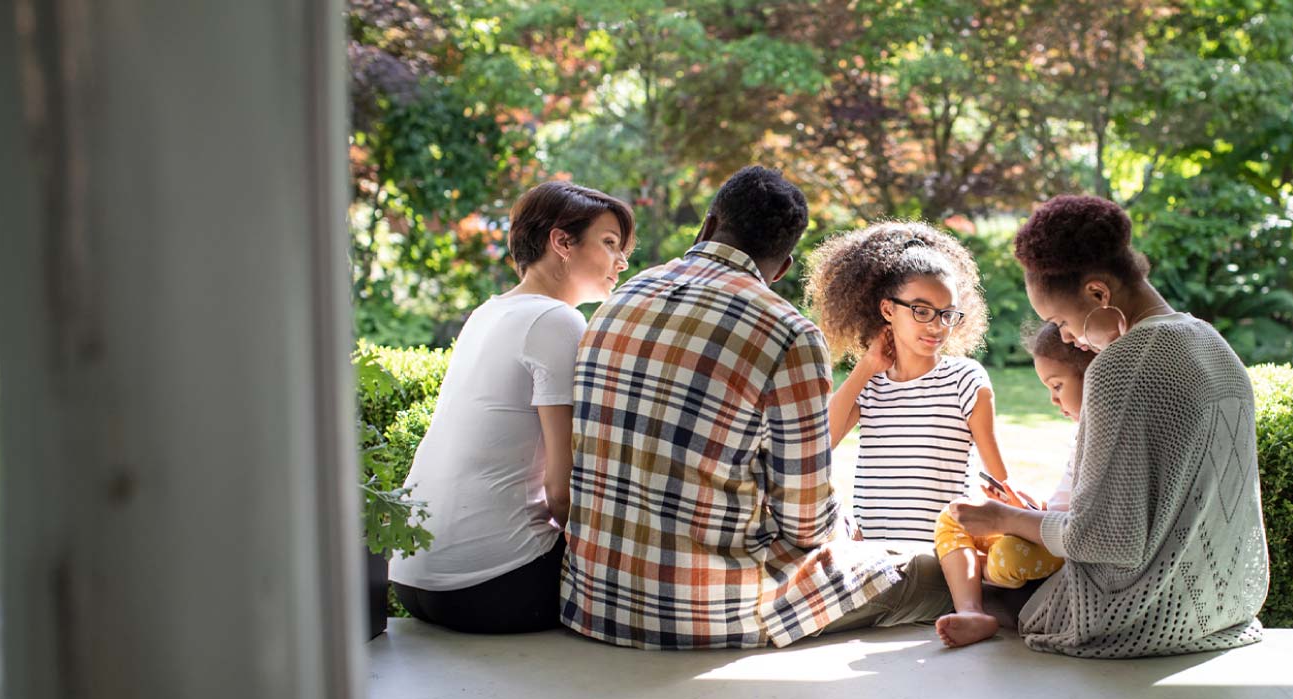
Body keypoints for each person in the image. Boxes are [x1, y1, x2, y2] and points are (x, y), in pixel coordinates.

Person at [561, 167, 952, 650]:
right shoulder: (790, 334)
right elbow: (807, 523)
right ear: (784, 266)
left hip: (593, 596)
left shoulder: (624, 295)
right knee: (942, 572)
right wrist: (842, 528)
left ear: (706, 227)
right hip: (708, 611)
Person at [952, 195, 1270, 658]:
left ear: (1099, 293)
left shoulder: (1122, 366)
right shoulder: (1213, 343)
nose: (1064, 337)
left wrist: (1006, 517)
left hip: (1141, 617)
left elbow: (1104, 540)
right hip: (1225, 603)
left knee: (967, 578)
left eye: (1060, 320)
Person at [388, 181, 633, 634]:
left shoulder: (488, 312)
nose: (622, 261)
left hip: (410, 577)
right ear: (561, 241)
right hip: (494, 585)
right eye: (610, 243)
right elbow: (561, 491)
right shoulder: (556, 320)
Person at [803, 222, 1006, 545]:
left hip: (941, 555)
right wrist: (867, 367)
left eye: (947, 314)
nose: (937, 326)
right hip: (873, 558)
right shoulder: (868, 386)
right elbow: (818, 447)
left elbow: (999, 480)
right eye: (921, 311)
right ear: (887, 309)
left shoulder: (965, 380)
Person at [931, 322, 1092, 648]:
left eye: (1058, 386)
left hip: (1064, 549)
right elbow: (1057, 507)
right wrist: (1024, 505)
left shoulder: (1101, 437)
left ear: (1093, 377)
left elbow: (1079, 525)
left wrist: (1021, 517)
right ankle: (972, 610)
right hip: (1045, 529)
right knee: (953, 516)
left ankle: (970, 572)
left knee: (1008, 554)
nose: (1053, 400)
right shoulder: (1080, 434)